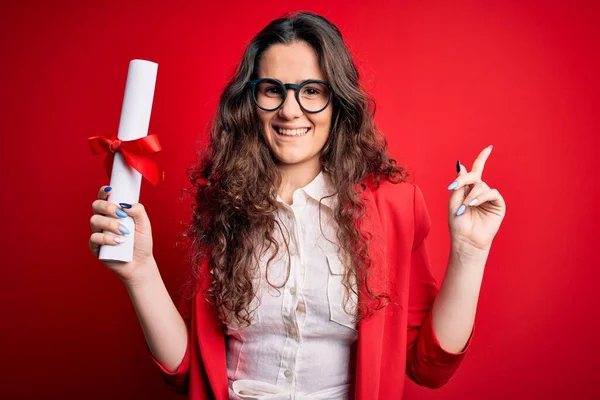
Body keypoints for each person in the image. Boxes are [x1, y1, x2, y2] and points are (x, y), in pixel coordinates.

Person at [88, 11, 506, 400]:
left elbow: (428, 367)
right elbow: (187, 371)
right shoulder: (224, 201)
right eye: (272, 90)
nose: (290, 110)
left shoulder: (394, 206)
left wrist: (470, 254)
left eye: (311, 91)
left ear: (337, 100)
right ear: (250, 100)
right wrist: (139, 271)